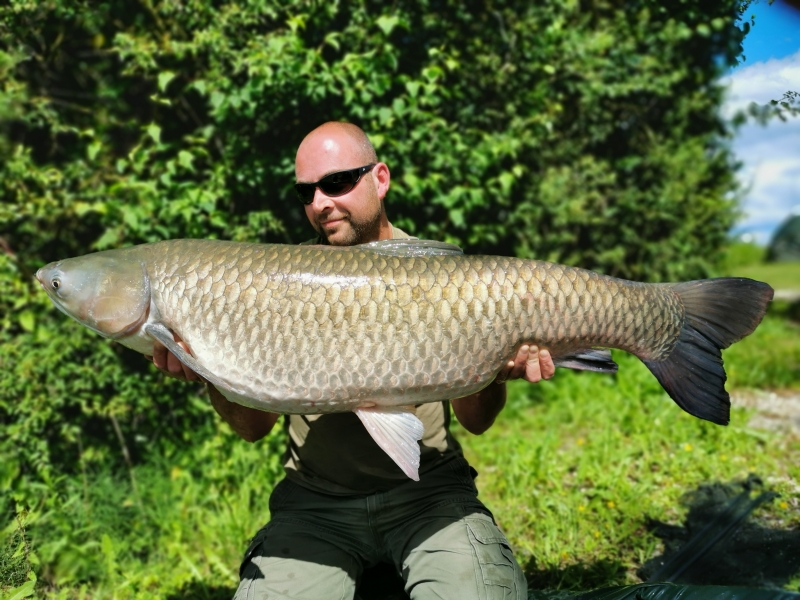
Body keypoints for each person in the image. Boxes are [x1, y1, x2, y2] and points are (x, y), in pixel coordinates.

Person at [152, 122, 555, 600]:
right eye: (307, 191)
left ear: (379, 178)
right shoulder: (268, 284)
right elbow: (253, 427)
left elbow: (477, 422)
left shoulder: (440, 276)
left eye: (337, 182)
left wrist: (496, 367)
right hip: (315, 506)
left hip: (427, 495)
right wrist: (207, 369)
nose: (321, 202)